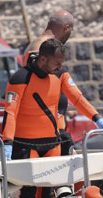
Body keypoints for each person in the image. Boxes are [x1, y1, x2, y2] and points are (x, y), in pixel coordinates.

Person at [2, 38, 103, 198]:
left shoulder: (60, 75)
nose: (60, 66)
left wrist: (97, 118)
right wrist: (7, 142)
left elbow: (78, 98)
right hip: (26, 144)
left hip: (51, 143)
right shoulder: (21, 77)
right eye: (56, 62)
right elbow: (10, 111)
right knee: (28, 192)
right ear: (43, 58)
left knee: (46, 192)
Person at [24, 10, 76, 156]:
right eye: (71, 30)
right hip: (47, 129)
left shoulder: (38, 45)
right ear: (66, 28)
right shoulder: (42, 47)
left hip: (52, 125)